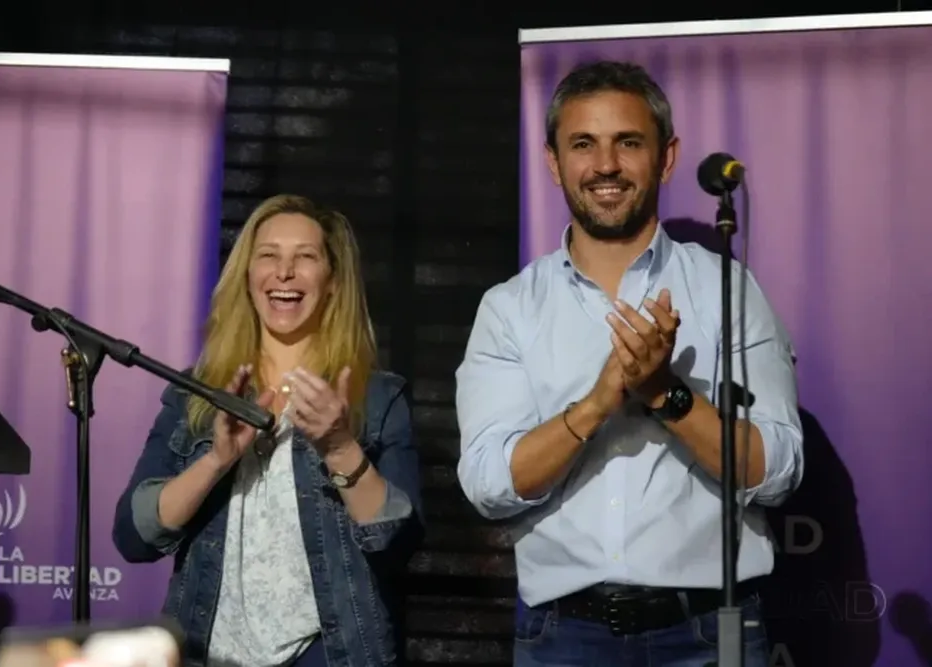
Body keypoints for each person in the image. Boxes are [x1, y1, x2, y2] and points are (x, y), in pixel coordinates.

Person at [455, 60, 804, 667]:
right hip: (563, 638)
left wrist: (665, 393)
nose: (606, 166)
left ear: (666, 158)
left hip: (707, 632)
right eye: (583, 144)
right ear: (552, 160)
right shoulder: (509, 308)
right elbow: (489, 485)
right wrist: (597, 404)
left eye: (628, 143)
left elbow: (779, 471)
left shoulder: (728, 289)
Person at [112, 194, 424, 667]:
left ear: (333, 282)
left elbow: (398, 545)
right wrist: (216, 460)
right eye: (269, 256)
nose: (284, 273)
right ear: (247, 277)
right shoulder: (194, 392)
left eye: (305, 258)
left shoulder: (378, 398)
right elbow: (133, 537)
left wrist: (340, 448)